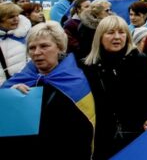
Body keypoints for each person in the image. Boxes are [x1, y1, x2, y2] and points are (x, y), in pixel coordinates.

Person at [1, 22, 94, 159]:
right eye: (32, 48)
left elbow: (86, 125)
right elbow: (7, 127)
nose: (37, 52)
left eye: (44, 46)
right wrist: (11, 98)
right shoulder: (20, 80)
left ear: (60, 48)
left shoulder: (78, 78)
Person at [81, 16, 147, 159]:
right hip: (102, 138)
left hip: (136, 133)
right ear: (100, 36)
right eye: (110, 32)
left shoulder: (140, 61)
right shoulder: (87, 66)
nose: (117, 37)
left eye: (122, 32)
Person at [0, 2, 27, 84]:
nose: (16, 19)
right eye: (11, 17)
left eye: (17, 15)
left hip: (25, 85)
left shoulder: (25, 35)